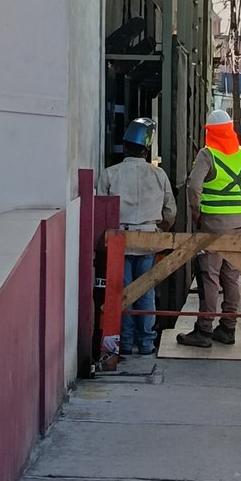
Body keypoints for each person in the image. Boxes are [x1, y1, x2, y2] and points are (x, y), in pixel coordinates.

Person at [177, 109, 241, 349]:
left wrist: (197, 210)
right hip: (238, 223)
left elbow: (194, 187)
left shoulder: (208, 154)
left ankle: (204, 330)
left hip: (213, 223)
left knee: (209, 276)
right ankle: (228, 328)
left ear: (210, 132)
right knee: (231, 275)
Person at [98, 118, 176, 356]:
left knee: (122, 292)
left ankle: (125, 342)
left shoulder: (110, 174)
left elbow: (101, 210)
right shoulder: (159, 175)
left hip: (120, 240)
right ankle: (146, 344)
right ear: (146, 149)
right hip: (149, 238)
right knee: (146, 292)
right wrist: (160, 228)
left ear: (125, 147)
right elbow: (170, 211)